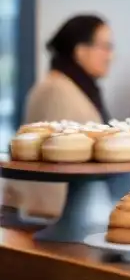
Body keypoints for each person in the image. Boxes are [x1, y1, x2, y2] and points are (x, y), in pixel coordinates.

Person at [10, 15, 114, 219]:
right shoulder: (57, 91)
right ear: (80, 50)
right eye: (105, 46)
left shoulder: (71, 87)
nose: (111, 55)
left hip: (65, 215)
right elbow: (56, 164)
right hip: (50, 217)